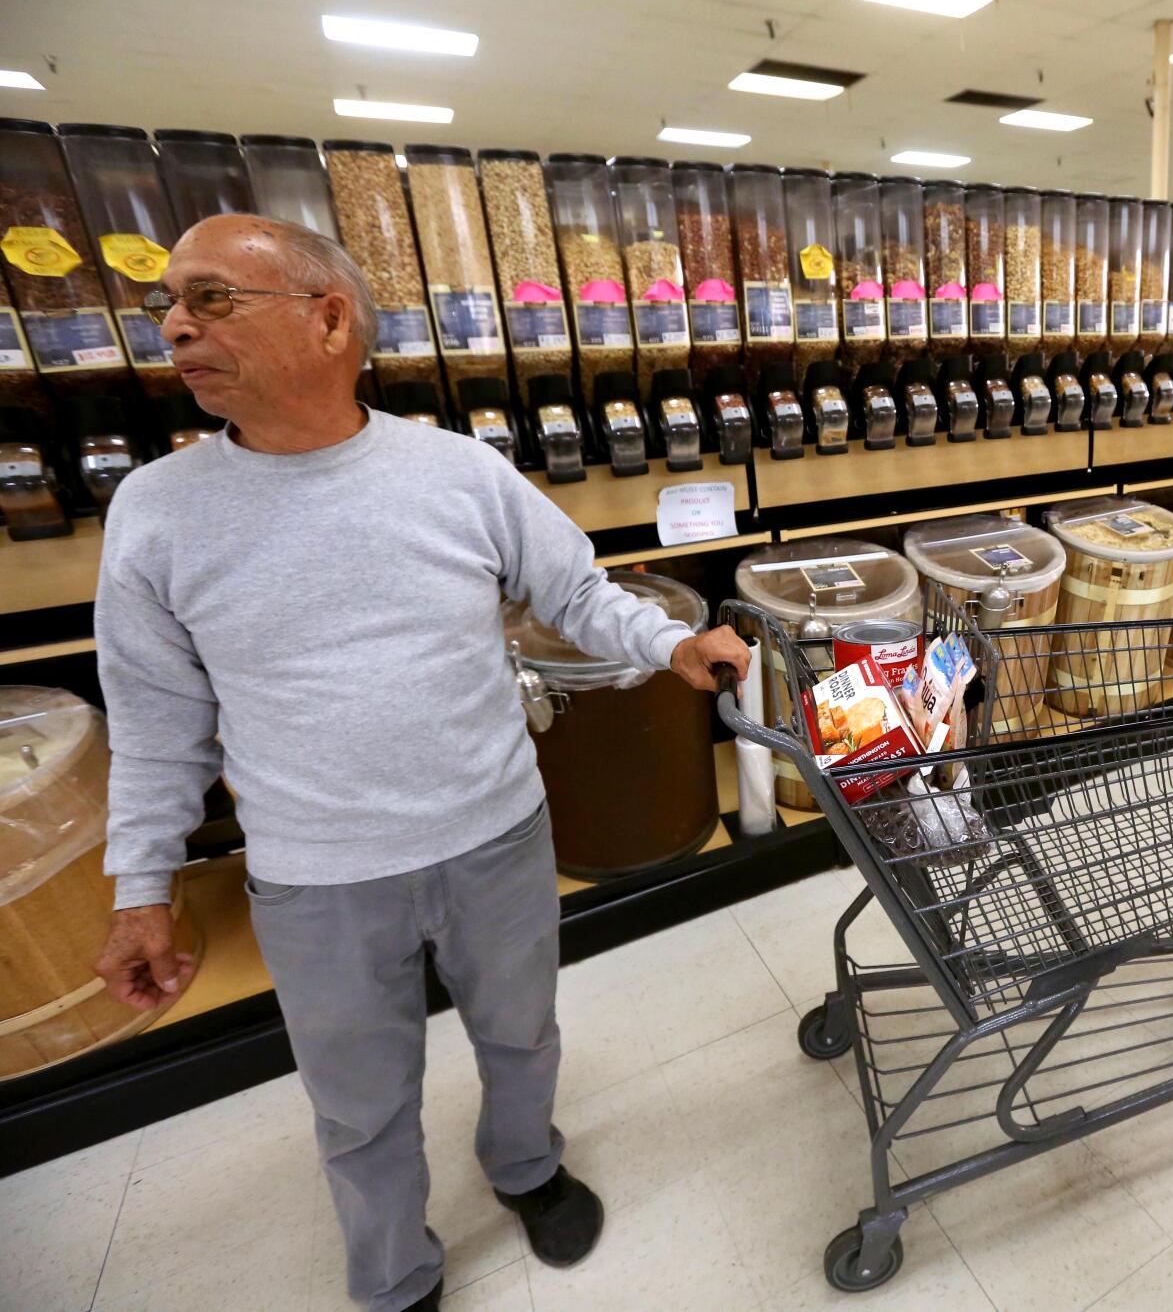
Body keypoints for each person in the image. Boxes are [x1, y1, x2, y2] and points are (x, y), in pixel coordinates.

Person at [90, 214, 751, 1312]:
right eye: (169, 303)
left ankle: (527, 1165)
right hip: (317, 875)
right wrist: (143, 889)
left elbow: (575, 593)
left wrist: (672, 644)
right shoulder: (155, 513)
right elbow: (157, 721)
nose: (171, 326)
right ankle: (394, 1273)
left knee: (520, 1032)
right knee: (358, 1100)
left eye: (210, 299)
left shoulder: (455, 472)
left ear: (329, 317)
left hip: (493, 832)